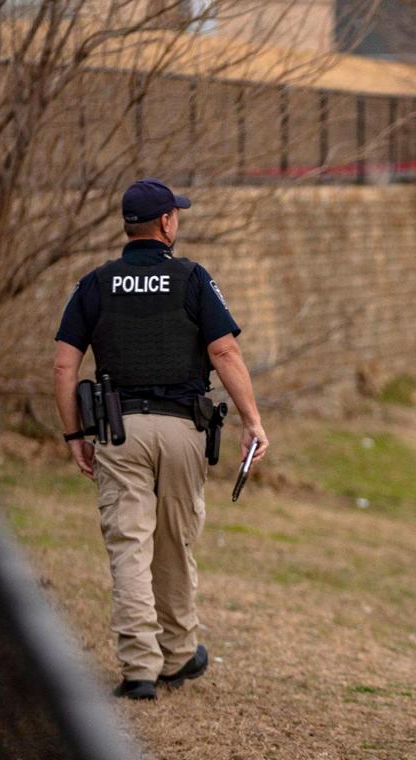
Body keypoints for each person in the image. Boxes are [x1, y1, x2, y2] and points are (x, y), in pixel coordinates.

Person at [52, 178, 269, 701]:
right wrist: (252, 421)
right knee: (175, 540)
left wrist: (73, 434)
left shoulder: (96, 283)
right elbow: (225, 354)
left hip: (119, 430)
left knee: (129, 544)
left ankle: (139, 669)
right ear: (167, 223)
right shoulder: (192, 278)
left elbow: (64, 363)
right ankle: (177, 655)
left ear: (130, 226)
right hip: (182, 431)